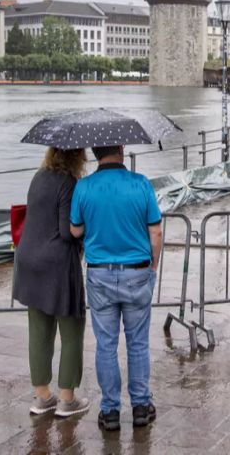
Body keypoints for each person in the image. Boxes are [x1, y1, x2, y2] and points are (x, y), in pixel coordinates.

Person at [69, 145, 163, 431]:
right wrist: (153, 266)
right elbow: (156, 232)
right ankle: (141, 407)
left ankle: (110, 411)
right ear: (121, 149)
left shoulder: (83, 187)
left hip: (100, 276)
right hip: (137, 271)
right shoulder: (141, 184)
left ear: (96, 152)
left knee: (106, 344)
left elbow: (75, 230)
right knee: (138, 343)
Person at [13, 147, 89, 418]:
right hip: (57, 266)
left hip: (27, 261)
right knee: (71, 331)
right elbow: (66, 232)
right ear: (76, 155)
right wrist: (85, 228)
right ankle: (67, 400)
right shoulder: (69, 183)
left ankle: (42, 396)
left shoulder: (38, 176)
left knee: (39, 331)